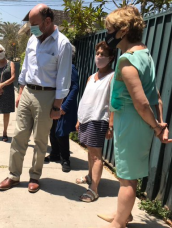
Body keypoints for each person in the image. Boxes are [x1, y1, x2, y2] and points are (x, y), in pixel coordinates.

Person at [96, 6, 172, 228]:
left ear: (123, 30)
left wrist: (158, 127)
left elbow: (141, 102)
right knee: (128, 175)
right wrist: (159, 124)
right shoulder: (144, 53)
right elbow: (155, 93)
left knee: (127, 179)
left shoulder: (127, 61)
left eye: (110, 28)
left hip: (131, 122)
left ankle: (119, 223)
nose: (108, 33)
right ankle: (124, 214)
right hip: (137, 123)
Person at [0, 4, 73, 193]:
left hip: (47, 96)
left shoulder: (62, 44)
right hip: (27, 93)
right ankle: (14, 176)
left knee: (40, 141)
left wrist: (57, 106)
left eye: (34, 24)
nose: (31, 27)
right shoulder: (32, 40)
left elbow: (64, 78)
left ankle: (34, 176)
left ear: (48, 22)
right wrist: (21, 91)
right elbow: (25, 67)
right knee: (19, 136)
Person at [75, 41, 116, 203]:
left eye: (103, 54)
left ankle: (94, 189)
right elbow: (86, 99)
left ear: (111, 58)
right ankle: (90, 176)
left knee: (96, 156)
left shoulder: (113, 77)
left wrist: (110, 125)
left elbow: (113, 102)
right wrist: (79, 119)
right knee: (90, 152)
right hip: (86, 118)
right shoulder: (91, 77)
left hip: (98, 120)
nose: (98, 57)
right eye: (97, 53)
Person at [45, 44, 79, 173]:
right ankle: (54, 154)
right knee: (53, 131)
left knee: (61, 133)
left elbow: (75, 88)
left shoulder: (70, 68)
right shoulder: (58, 67)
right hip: (54, 105)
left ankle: (65, 159)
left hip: (63, 107)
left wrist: (64, 106)